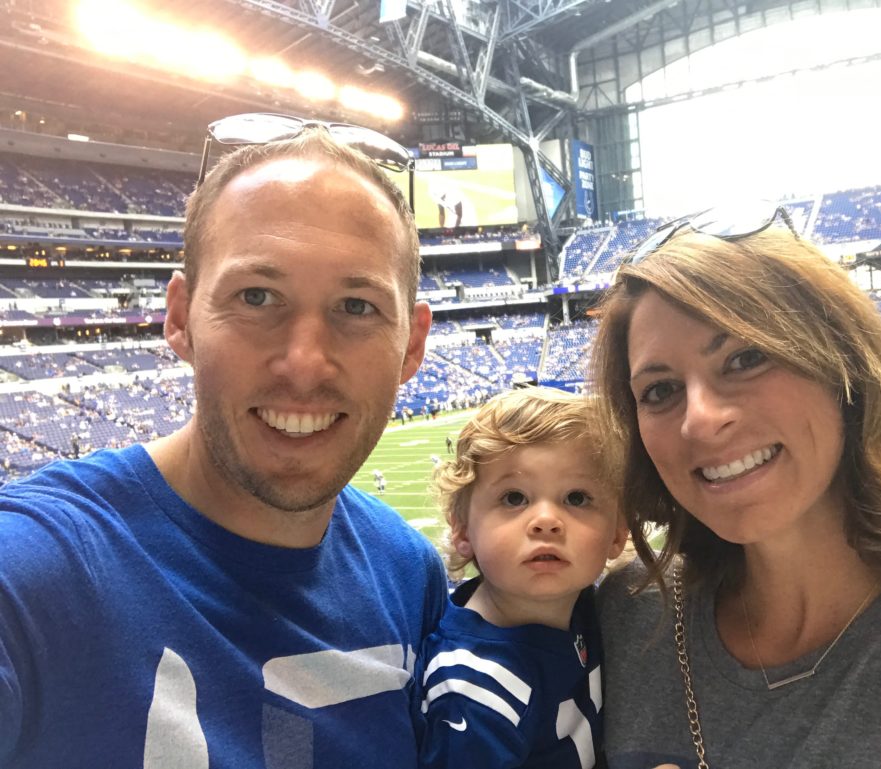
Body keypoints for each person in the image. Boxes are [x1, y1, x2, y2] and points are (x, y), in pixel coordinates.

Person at [0, 120, 447, 768]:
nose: (304, 363)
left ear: (412, 344)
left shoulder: (410, 576)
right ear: (179, 317)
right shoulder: (35, 577)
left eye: (356, 307)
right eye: (257, 296)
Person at [588, 205, 881, 769]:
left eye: (745, 357)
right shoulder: (621, 620)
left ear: (846, 369)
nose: (699, 419)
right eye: (660, 390)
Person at [414, 386, 628, 768]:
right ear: (463, 531)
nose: (546, 521)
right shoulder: (476, 687)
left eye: (576, 498)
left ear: (617, 532)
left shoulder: (592, 607)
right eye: (514, 498)